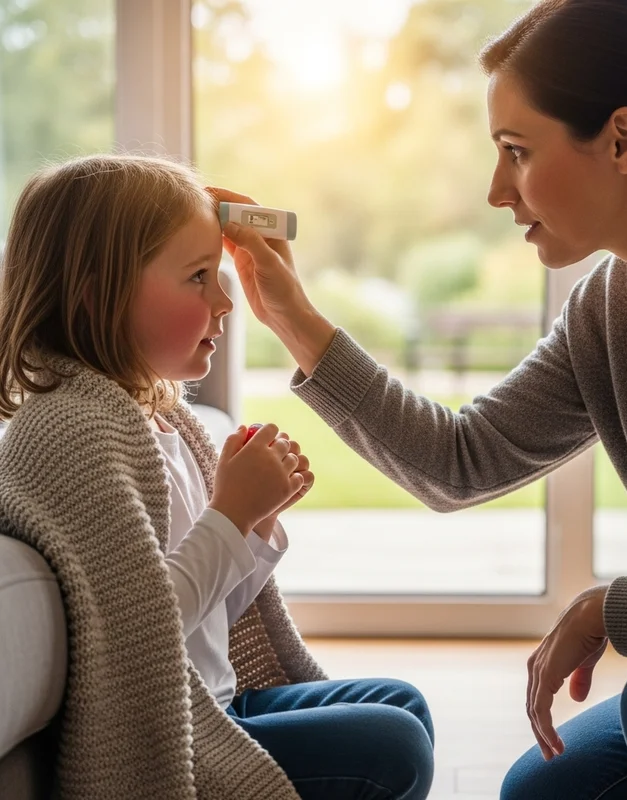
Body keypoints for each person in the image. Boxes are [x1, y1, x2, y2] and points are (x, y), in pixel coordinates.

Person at [212, 0, 627, 797]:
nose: (498, 190)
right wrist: (293, 317)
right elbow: (461, 461)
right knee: (544, 790)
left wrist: (609, 609)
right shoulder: (613, 308)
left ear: (624, 140)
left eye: (517, 152)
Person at [0, 154, 434, 800]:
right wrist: (229, 516)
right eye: (199, 277)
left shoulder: (165, 421)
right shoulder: (71, 431)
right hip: (176, 733)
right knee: (392, 745)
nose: (227, 302)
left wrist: (255, 526)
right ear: (96, 293)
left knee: (403, 704)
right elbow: (138, 631)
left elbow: (216, 614)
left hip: (215, 700)